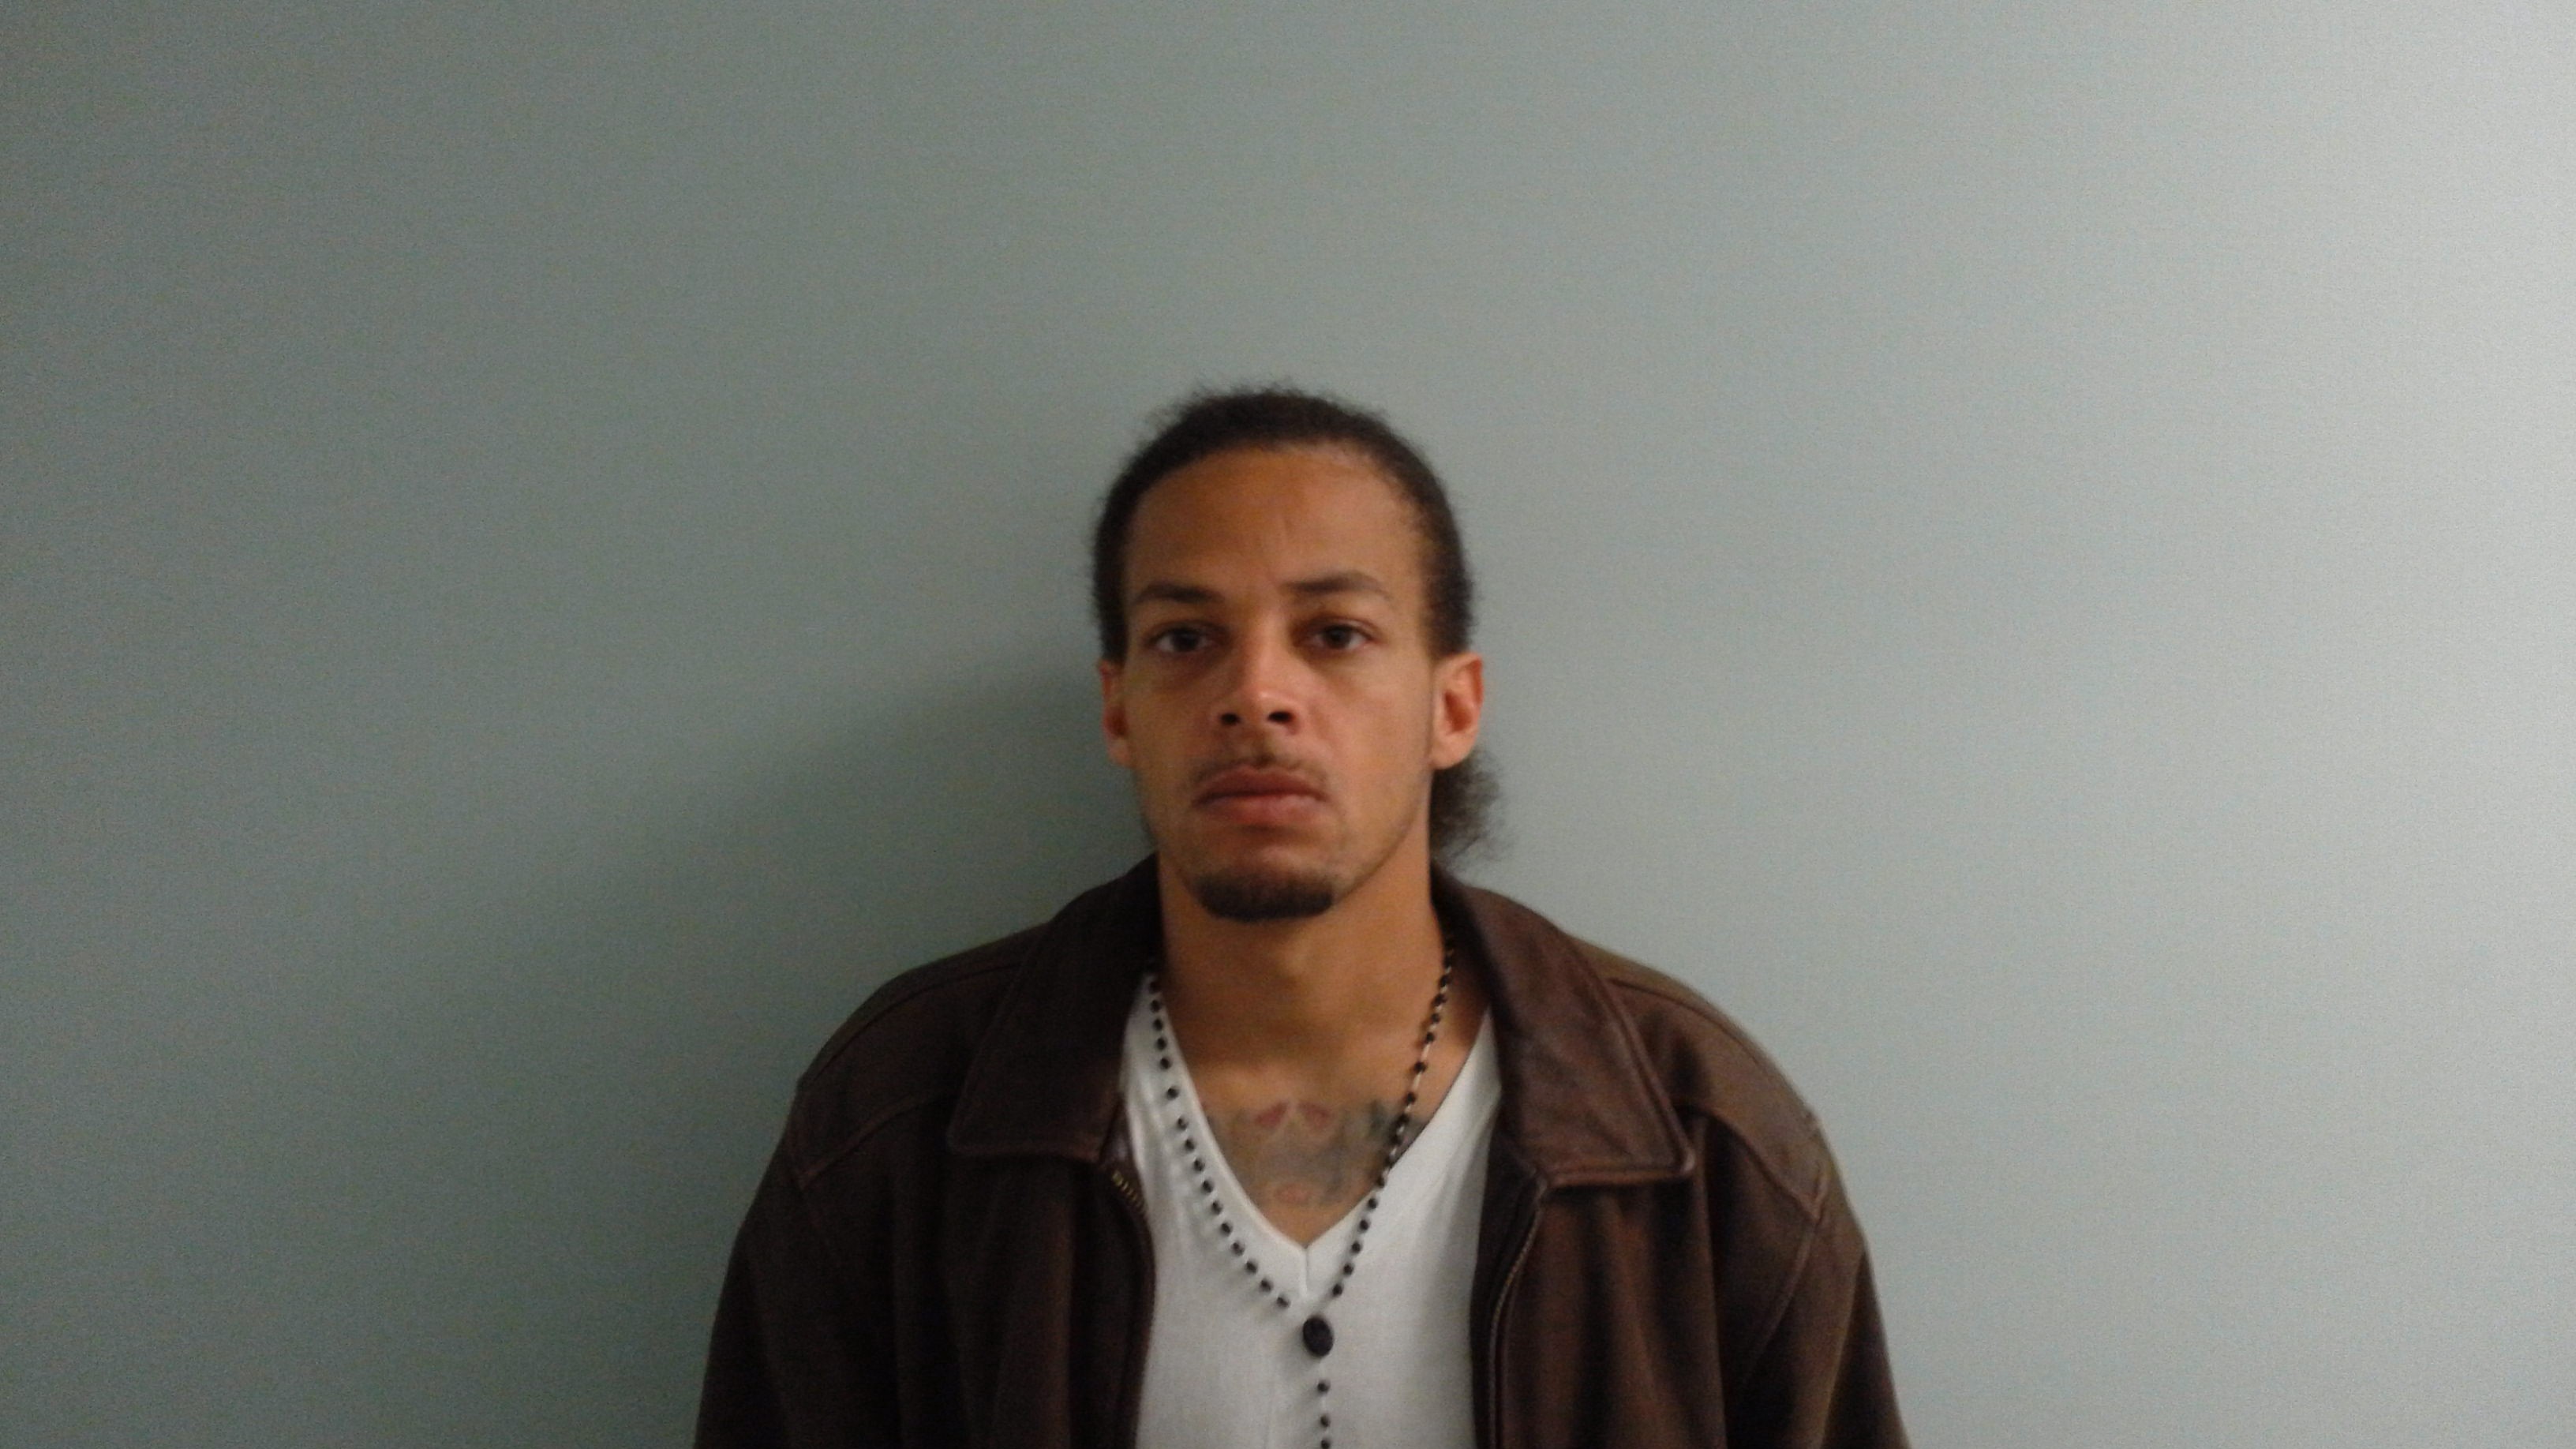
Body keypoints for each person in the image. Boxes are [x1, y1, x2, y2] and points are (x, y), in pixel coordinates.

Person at [695, 388, 1908, 1449]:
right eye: (1186, 639)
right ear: (1119, 711)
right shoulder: (906, 1111)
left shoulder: (1696, 1130)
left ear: (1452, 707)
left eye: (1336, 634)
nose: (1257, 693)